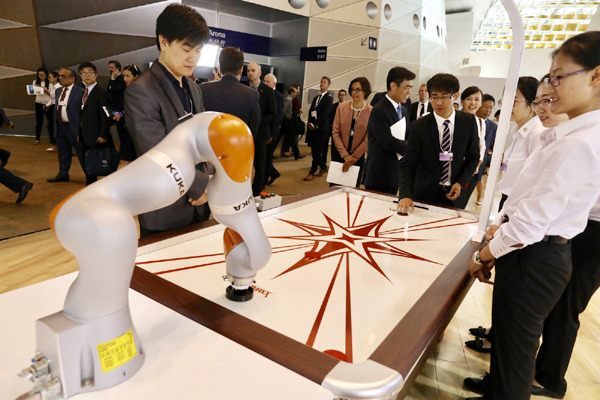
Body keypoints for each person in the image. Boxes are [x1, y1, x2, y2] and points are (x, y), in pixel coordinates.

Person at [465, 31, 600, 400]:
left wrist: (485, 253)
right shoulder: (567, 134)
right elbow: (525, 194)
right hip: (533, 250)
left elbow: (533, 221)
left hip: (538, 254)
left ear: (596, 76)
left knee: (516, 356)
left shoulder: (580, 142)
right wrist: (500, 226)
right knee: (510, 346)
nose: (551, 88)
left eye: (559, 76)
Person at [124, 3, 212, 237]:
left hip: (200, 205)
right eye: (186, 48)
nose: (193, 58)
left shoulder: (194, 88)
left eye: (199, 50)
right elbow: (157, 153)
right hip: (164, 208)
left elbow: (204, 139)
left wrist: (210, 177)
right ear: (163, 42)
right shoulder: (142, 90)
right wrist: (200, 186)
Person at [397, 73, 480, 211]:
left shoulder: (469, 122)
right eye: (434, 97)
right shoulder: (419, 126)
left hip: (455, 195)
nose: (439, 102)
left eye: (444, 97)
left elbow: (473, 157)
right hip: (424, 194)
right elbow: (408, 164)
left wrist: (460, 182)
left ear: (456, 96)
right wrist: (405, 194)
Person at [363, 66, 415, 195]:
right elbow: (387, 141)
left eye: (410, 88)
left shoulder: (403, 110)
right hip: (379, 174)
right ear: (393, 86)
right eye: (406, 87)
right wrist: (413, 149)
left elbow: (407, 134)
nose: (409, 92)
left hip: (396, 172)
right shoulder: (379, 109)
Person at [495, 76, 544, 211]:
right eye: (505, 100)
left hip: (521, 206)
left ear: (533, 103)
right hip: (507, 201)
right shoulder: (517, 132)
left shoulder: (537, 134)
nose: (507, 106)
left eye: (514, 101)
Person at [200, 47, 260, 136]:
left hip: (205, 144)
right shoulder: (252, 95)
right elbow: (253, 129)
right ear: (241, 69)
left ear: (219, 68)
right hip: (237, 146)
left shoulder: (202, 89)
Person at [330, 77, 372, 187]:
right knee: (334, 191)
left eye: (358, 89)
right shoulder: (341, 107)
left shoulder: (371, 111)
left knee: (352, 193)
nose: (354, 92)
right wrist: (345, 156)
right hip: (339, 155)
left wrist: (353, 158)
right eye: (352, 89)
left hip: (357, 158)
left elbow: (368, 138)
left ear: (365, 91)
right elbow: (335, 132)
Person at [78, 62, 115, 185]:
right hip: (84, 135)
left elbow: (106, 116)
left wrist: (103, 135)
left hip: (98, 135)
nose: (87, 75)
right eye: (84, 73)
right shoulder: (80, 92)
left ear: (96, 75)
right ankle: (90, 185)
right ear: (80, 75)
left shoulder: (102, 93)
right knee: (88, 162)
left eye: (90, 73)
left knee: (104, 163)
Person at [48, 68, 85, 183]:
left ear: (72, 79)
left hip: (74, 127)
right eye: (59, 76)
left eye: (64, 76)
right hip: (60, 126)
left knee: (81, 153)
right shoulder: (58, 91)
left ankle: (90, 175)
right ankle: (63, 173)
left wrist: (81, 129)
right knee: (63, 152)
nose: (60, 78)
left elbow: (84, 112)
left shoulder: (80, 91)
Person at [246, 61, 276, 195]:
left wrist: (257, 122)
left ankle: (256, 191)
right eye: (248, 70)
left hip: (260, 134)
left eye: (253, 70)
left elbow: (272, 113)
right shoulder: (243, 89)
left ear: (259, 73)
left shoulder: (268, 91)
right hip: (244, 134)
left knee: (259, 165)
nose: (250, 73)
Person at [455, 86, 486, 208]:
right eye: (469, 99)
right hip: (456, 169)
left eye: (477, 99)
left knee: (463, 203)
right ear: (462, 101)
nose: (473, 103)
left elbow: (482, 145)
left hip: (472, 170)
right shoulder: (455, 118)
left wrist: (478, 163)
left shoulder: (480, 122)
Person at [304, 76, 333, 181]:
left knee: (317, 151)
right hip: (313, 127)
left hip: (321, 128)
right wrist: (310, 123)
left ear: (328, 85)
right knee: (314, 150)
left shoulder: (329, 98)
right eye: (321, 82)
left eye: (324, 82)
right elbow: (311, 111)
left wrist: (315, 124)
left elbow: (325, 114)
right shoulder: (316, 98)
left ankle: (312, 171)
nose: (322, 84)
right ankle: (324, 167)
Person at [474, 94, 497, 204]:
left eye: (491, 107)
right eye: (485, 106)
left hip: (481, 156)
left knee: (479, 178)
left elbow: (494, 143)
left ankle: (480, 197)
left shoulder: (493, 126)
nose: (488, 110)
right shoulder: (470, 119)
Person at [263, 73, 283, 186]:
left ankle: (265, 180)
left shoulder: (278, 96)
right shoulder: (262, 94)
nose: (265, 83)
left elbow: (278, 117)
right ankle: (273, 173)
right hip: (263, 132)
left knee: (267, 157)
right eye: (264, 81)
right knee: (263, 158)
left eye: (267, 82)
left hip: (271, 133)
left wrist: (271, 135)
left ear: (274, 84)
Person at [280, 86, 304, 160]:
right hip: (288, 121)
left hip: (289, 121)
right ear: (292, 92)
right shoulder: (288, 99)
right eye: (295, 91)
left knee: (289, 138)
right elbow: (284, 110)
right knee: (292, 139)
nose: (296, 93)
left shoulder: (291, 99)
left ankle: (296, 154)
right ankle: (296, 154)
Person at [33, 67, 54, 146]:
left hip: (48, 104)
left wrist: (44, 90)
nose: (41, 77)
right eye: (39, 75)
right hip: (38, 103)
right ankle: (37, 139)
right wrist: (35, 89)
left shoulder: (50, 83)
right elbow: (34, 93)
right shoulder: (35, 82)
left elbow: (52, 95)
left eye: (43, 75)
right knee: (39, 122)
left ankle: (52, 140)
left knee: (50, 122)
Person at [43, 71, 59, 152]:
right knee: (51, 126)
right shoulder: (53, 86)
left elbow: (56, 99)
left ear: (56, 78)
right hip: (52, 106)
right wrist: (47, 105)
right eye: (48, 77)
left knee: (51, 126)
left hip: (57, 107)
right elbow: (52, 98)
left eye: (50, 77)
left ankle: (54, 144)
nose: (48, 79)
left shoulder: (59, 86)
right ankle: (54, 144)